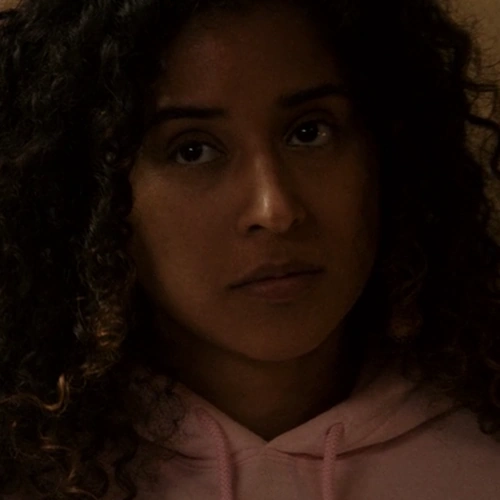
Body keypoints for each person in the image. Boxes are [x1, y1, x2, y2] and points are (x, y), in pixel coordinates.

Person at [0, 0, 499, 498]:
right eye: (192, 150)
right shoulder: (30, 474)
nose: (274, 209)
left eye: (309, 132)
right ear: (89, 196)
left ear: (387, 154)